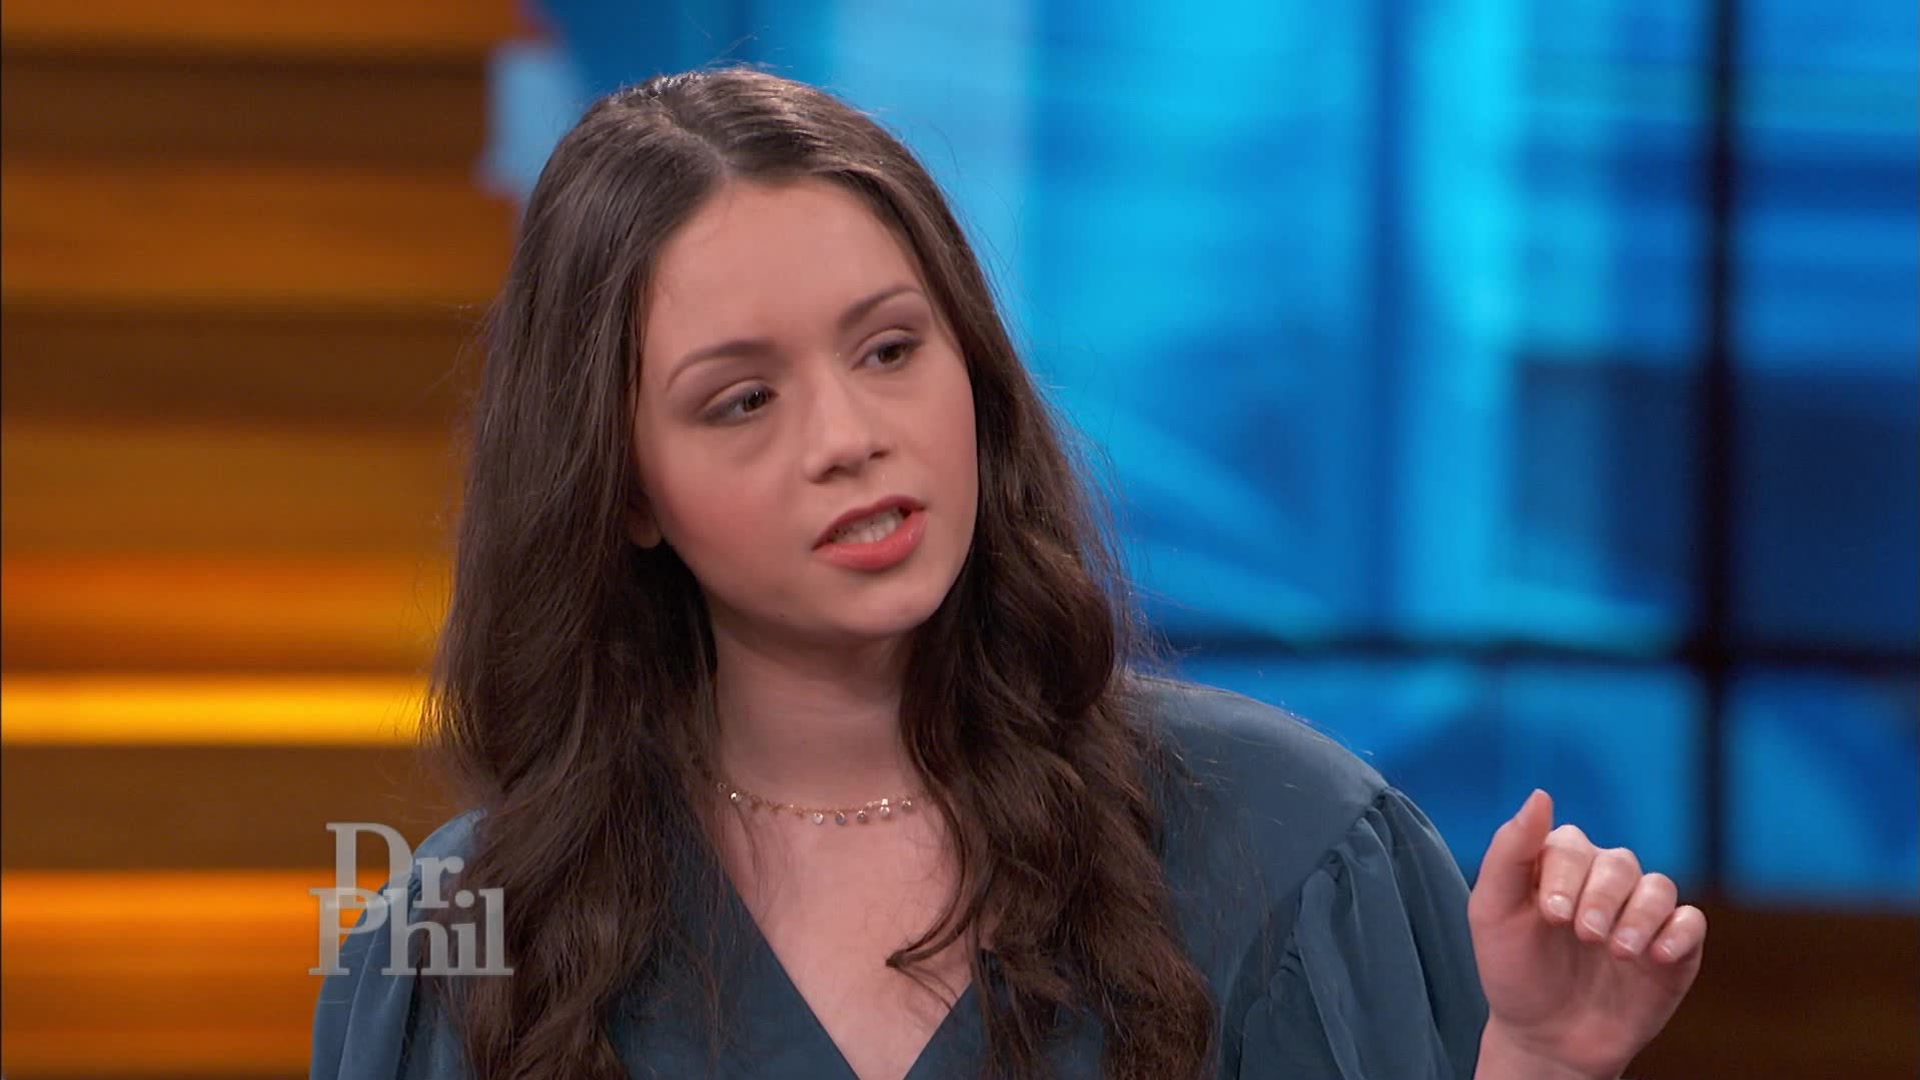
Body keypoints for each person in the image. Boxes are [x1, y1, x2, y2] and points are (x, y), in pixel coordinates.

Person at [309, 66, 1705, 1080]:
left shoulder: (1289, 848)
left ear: (972, 369)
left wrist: (1541, 1062)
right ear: (624, 491)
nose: (849, 438)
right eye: (743, 400)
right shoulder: (461, 938)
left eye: (889, 349)